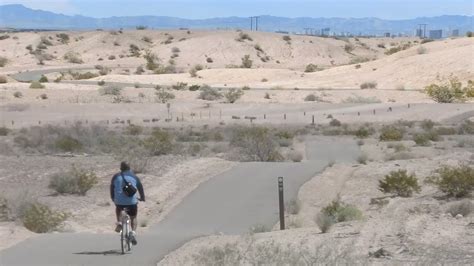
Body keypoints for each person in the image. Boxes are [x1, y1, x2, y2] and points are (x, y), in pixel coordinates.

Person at [110, 161, 145, 245]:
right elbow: (140, 188)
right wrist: (142, 198)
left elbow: (111, 188)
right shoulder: (134, 176)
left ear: (120, 168)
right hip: (132, 202)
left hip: (119, 202)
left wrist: (113, 198)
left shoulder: (115, 176)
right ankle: (132, 233)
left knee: (118, 208)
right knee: (133, 217)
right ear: (129, 168)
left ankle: (119, 222)